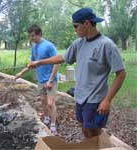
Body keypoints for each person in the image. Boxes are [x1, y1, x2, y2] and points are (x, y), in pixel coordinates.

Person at [28, 8, 126, 138]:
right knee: (85, 129)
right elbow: (62, 57)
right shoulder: (79, 43)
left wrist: (107, 100)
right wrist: (39, 62)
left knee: (93, 131)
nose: (74, 29)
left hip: (95, 98)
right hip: (80, 96)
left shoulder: (106, 45)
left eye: (76, 26)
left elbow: (121, 73)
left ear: (86, 23)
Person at [15, 24, 59, 135]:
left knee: (50, 103)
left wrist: (50, 80)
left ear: (40, 34)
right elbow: (32, 64)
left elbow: (57, 63)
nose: (32, 38)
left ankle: (53, 125)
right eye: (30, 36)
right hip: (40, 80)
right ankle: (46, 119)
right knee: (44, 102)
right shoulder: (34, 47)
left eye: (33, 36)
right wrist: (21, 73)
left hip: (50, 80)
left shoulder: (49, 46)